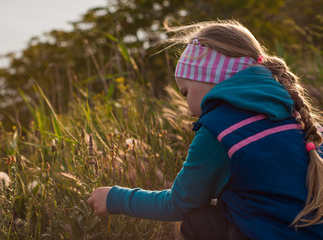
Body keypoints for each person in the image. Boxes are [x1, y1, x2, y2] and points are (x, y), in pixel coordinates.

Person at [87, 20, 323, 239]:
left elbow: (177, 204)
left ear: (208, 76)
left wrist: (113, 197)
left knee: (199, 221)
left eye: (185, 92)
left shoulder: (219, 131)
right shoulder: (298, 118)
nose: (188, 108)